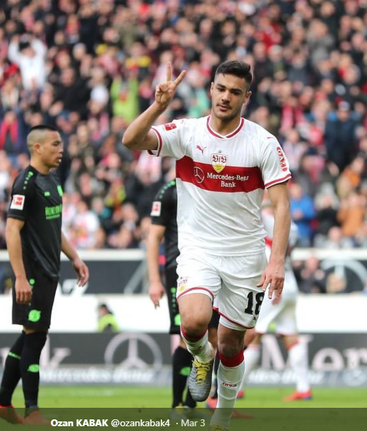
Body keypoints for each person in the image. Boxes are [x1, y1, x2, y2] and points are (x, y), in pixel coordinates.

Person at [123, 60, 291, 431]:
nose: (225, 97)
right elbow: (131, 140)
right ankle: (201, 357)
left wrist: (275, 261)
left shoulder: (263, 143)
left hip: (246, 256)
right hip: (198, 250)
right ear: (210, 89)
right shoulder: (187, 132)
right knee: (195, 321)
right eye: (220, 88)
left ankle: (223, 416)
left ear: (246, 97)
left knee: (232, 345)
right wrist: (158, 107)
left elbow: (281, 205)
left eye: (235, 91)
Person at [0, 125, 89, 425]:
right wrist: (19, 276)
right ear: (38, 148)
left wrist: (74, 256)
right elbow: (11, 230)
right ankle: (32, 410)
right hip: (31, 274)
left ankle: (2, 402)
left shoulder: (52, 180)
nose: (61, 150)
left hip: (50, 273)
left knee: (30, 336)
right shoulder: (26, 182)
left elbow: (53, 226)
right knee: (35, 338)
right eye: (56, 144)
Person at [146, 179, 220, 417]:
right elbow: (153, 238)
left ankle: (191, 404)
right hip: (179, 271)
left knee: (214, 339)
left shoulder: (213, 184)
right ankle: (177, 404)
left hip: (215, 269)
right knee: (185, 336)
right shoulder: (169, 193)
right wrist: (155, 280)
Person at [238, 207, 311, 401]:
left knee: (253, 335)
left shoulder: (274, 221)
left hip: (274, 285)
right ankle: (304, 388)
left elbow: (255, 210)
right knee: (291, 336)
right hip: (289, 283)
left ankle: (237, 388)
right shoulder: (292, 226)